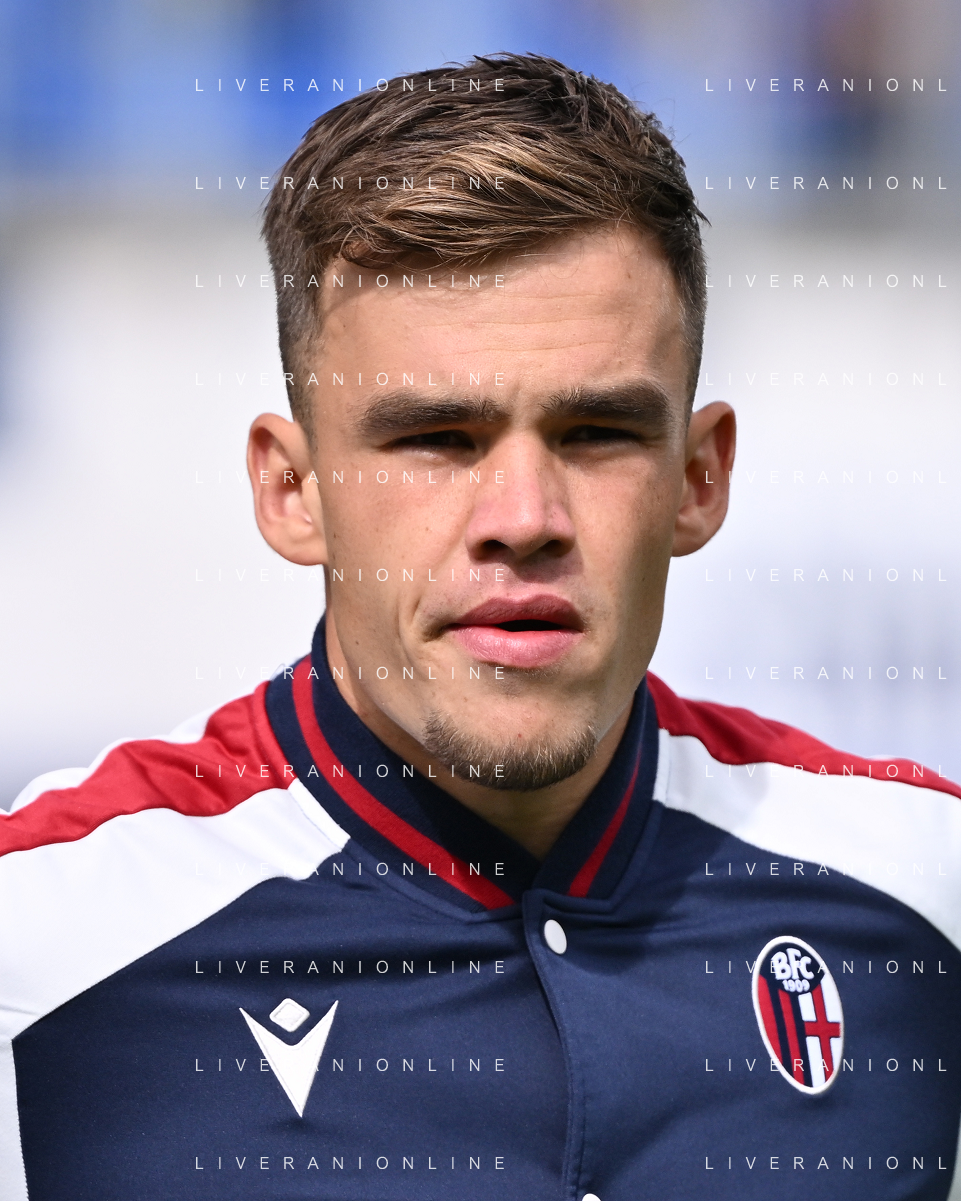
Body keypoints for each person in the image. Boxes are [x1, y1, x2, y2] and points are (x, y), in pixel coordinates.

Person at [2, 53, 959, 1201]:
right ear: (294, 491)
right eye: (436, 439)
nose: (523, 518)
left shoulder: (920, 891)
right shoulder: (45, 935)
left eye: (597, 433)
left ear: (698, 477)